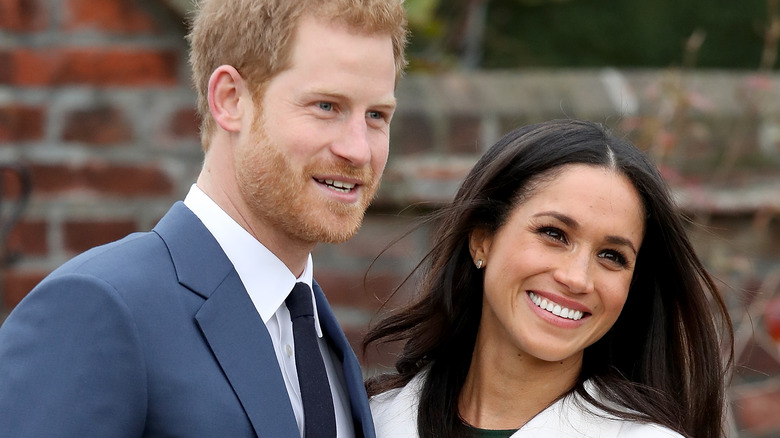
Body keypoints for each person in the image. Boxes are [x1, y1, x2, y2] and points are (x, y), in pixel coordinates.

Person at [0, 0, 407, 437]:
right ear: (230, 99)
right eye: (326, 106)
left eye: (376, 116)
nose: (359, 149)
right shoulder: (97, 308)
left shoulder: (322, 340)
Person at [364, 119, 734, 438]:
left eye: (612, 256)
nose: (577, 278)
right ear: (482, 240)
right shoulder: (366, 419)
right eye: (554, 234)